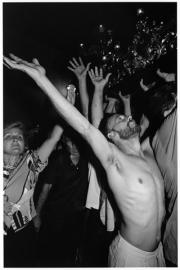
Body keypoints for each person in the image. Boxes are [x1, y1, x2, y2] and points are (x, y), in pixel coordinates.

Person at [4, 54, 166, 267]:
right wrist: (41, 79)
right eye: (119, 119)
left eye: (125, 116)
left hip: (159, 251)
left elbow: (158, 109)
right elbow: (88, 126)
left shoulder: (148, 150)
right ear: (112, 137)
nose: (127, 117)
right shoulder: (115, 161)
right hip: (132, 256)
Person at [33, 82, 89, 267]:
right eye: (69, 142)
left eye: (76, 143)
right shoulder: (58, 160)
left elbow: (87, 123)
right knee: (50, 253)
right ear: (65, 143)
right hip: (55, 215)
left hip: (76, 216)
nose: (73, 146)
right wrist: (38, 214)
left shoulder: (87, 160)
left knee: (69, 252)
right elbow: (45, 188)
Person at [3, 119, 64, 267]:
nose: (16, 139)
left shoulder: (31, 163)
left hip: (21, 231)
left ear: (25, 144)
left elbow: (54, 138)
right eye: (8, 136)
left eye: (19, 137)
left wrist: (65, 106)